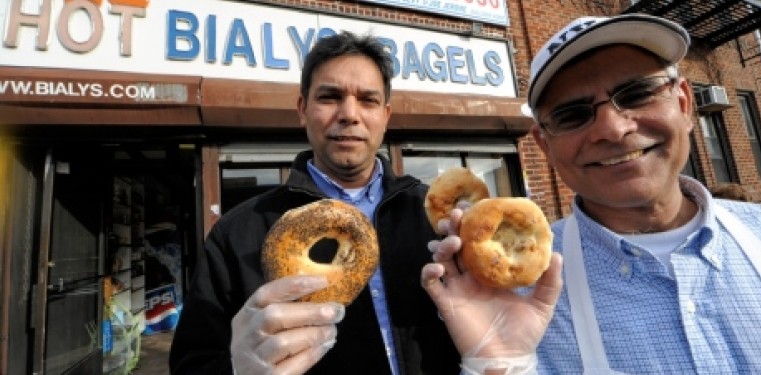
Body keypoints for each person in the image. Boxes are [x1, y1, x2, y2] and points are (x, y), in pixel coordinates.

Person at [169, 30, 564, 375]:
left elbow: (489, 337)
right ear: (302, 109)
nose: (349, 114)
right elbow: (192, 362)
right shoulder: (239, 232)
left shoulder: (443, 224)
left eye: (368, 100)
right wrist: (238, 370)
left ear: (385, 115)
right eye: (330, 97)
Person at [434, 13, 761, 374]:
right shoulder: (518, 293)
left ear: (684, 103)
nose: (612, 129)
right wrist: (501, 364)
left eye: (637, 93)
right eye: (571, 115)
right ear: (545, 146)